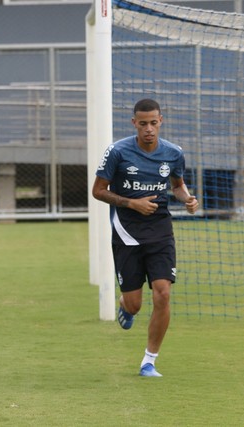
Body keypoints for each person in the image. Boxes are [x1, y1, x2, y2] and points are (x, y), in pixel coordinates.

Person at [92, 99, 198, 377]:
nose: (148, 129)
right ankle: (125, 306)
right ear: (134, 124)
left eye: (153, 123)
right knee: (135, 303)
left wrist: (187, 199)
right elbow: (98, 191)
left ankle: (149, 361)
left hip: (160, 231)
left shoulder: (173, 153)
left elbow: (177, 185)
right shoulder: (118, 152)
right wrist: (131, 203)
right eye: (143, 124)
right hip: (126, 232)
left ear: (161, 121)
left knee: (163, 293)